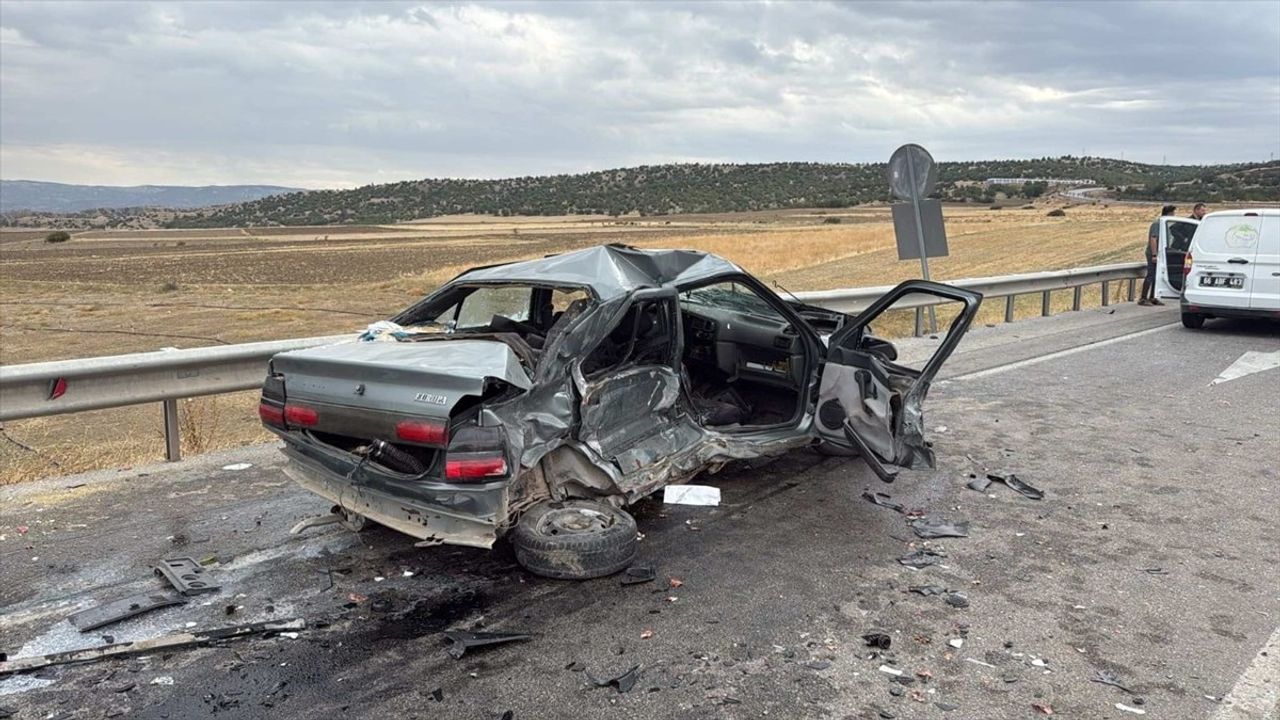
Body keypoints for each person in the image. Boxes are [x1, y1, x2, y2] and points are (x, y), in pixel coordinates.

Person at [1139, 205, 1176, 306]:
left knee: (1157, 276)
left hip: (1161, 253)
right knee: (1151, 274)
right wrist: (1154, 255)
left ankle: (1152, 296)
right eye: (1173, 213)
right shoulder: (1157, 224)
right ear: (1169, 213)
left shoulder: (1165, 225)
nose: (1174, 215)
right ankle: (1143, 298)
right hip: (1154, 253)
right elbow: (1153, 239)